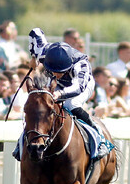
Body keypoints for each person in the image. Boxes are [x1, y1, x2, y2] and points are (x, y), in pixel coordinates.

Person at [12, 28, 109, 160]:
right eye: (54, 70)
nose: (57, 74)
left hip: (81, 85)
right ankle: (22, 143)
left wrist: (59, 94)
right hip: (56, 84)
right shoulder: (43, 52)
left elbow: (77, 88)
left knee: (71, 104)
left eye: (61, 71)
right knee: (39, 105)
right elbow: (35, 32)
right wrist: (33, 57)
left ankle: (100, 139)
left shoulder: (81, 66)